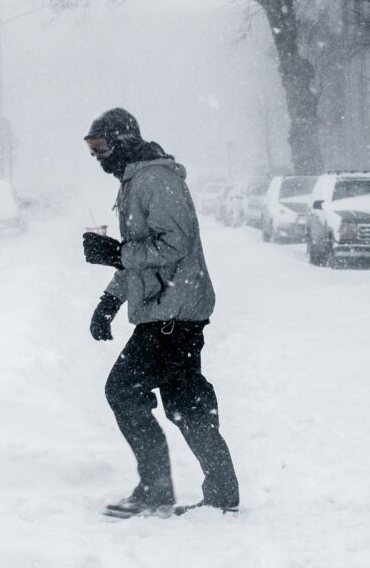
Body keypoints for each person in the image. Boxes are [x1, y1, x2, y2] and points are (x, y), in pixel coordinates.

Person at [81, 107, 239, 517]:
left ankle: (156, 489)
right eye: (91, 148)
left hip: (172, 313)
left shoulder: (155, 180)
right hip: (171, 310)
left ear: (122, 142)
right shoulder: (136, 181)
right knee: (186, 402)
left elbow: (174, 245)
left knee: (123, 390)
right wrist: (109, 300)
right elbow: (142, 257)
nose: (97, 156)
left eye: (101, 146)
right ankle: (222, 492)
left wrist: (116, 253)